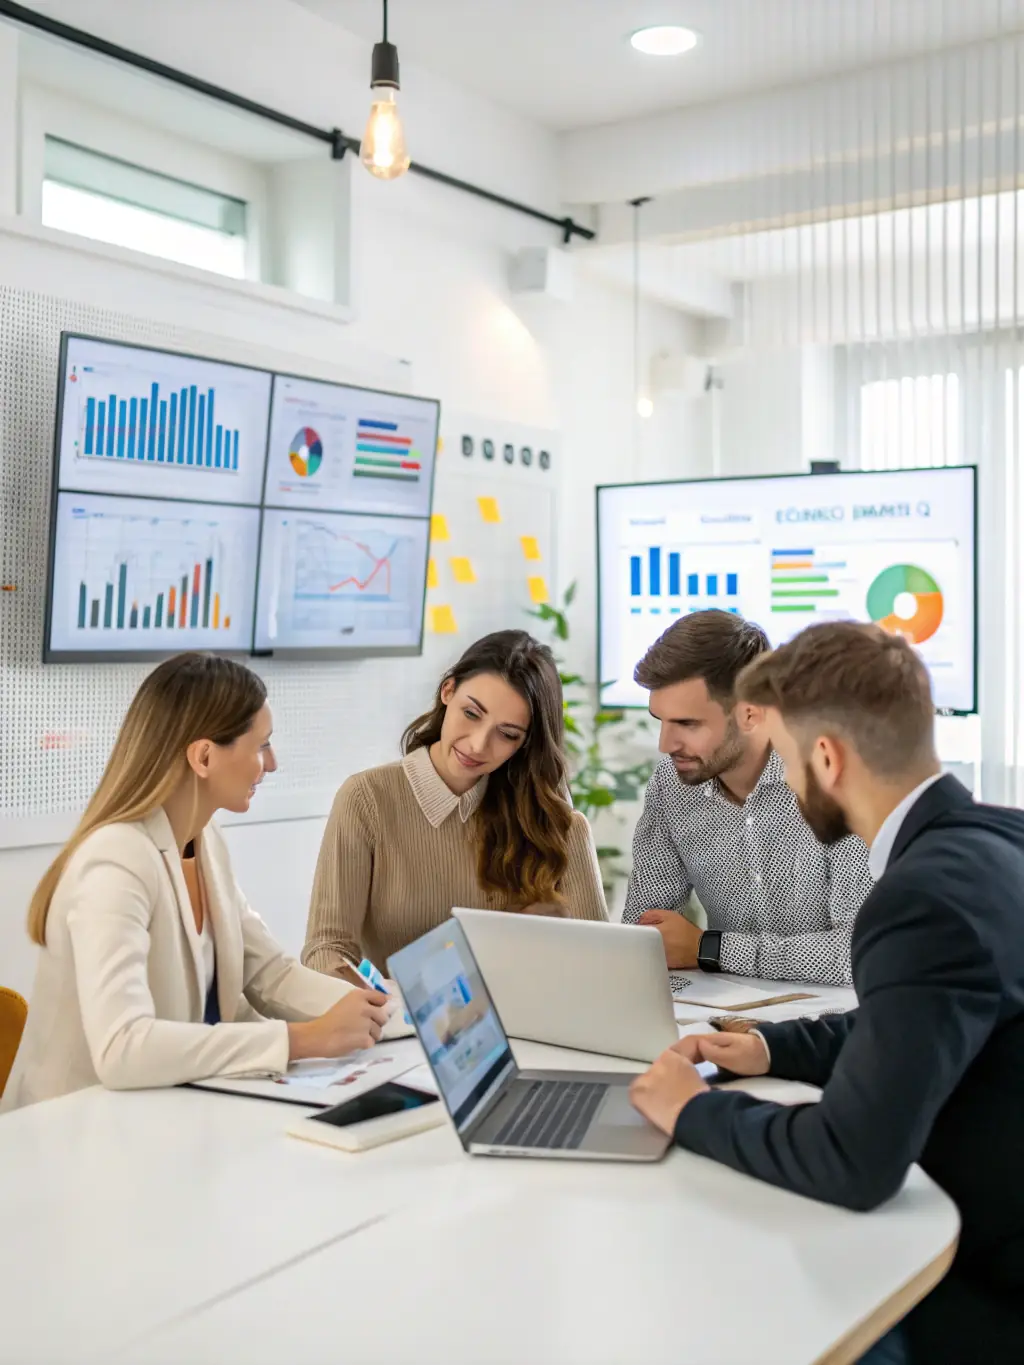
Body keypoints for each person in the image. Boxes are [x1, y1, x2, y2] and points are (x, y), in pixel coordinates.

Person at [629, 622, 1024, 1364]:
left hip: (986, 1289)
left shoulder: (916, 901)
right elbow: (910, 1018)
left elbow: (850, 1161)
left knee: (739, 1298)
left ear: (827, 758)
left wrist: (693, 1109)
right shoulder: (1001, 839)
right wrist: (774, 1047)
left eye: (782, 755)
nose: (777, 776)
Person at [2, 653, 390, 1113]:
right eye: (262, 746)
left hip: (160, 1113)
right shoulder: (116, 859)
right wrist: (300, 1039)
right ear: (204, 756)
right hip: (70, 1127)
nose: (272, 763)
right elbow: (122, 1047)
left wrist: (384, 1012)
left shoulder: (205, 842)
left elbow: (271, 974)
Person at [303, 629, 607, 981]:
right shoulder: (366, 799)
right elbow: (327, 948)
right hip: (397, 1014)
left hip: (530, 1011)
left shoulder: (554, 823)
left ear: (525, 744)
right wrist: (371, 1002)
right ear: (448, 691)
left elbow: (602, 965)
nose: (478, 745)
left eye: (507, 734)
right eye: (472, 713)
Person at [622, 610, 873, 985]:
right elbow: (646, 934)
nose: (666, 744)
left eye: (687, 724)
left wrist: (711, 949)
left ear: (751, 715)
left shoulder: (834, 778)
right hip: (726, 1011)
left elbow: (863, 953)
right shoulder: (670, 785)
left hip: (838, 1013)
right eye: (661, 720)